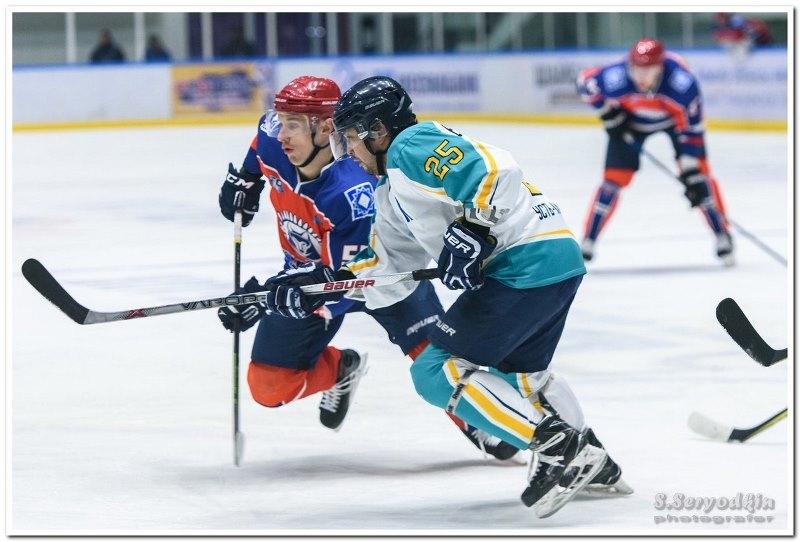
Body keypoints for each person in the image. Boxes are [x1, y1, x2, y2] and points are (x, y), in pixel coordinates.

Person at [261, 75, 631, 517]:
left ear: (379, 130)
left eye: (353, 138)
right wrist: (320, 285)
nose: (350, 151)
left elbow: (495, 169)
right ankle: (597, 465)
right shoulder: (389, 192)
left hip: (522, 263)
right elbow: (385, 267)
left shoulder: (409, 146)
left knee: (435, 371)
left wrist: (475, 228)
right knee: (524, 377)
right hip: (554, 258)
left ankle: (560, 449)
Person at [215, 75, 518, 460]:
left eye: (292, 125)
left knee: (437, 366)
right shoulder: (275, 140)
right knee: (269, 386)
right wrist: (245, 180)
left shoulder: (353, 192)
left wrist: (265, 299)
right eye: (280, 121)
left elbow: (348, 279)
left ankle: (483, 417)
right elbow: (261, 143)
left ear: (325, 129)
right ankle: (341, 368)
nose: (281, 134)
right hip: (306, 277)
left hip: (377, 275)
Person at [576, 38, 734, 265]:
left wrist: (690, 170)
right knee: (612, 181)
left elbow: (692, 128)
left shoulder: (682, 84)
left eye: (647, 71)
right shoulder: (616, 77)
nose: (640, 76)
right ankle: (588, 239)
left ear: (660, 68)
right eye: (636, 69)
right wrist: (608, 114)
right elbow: (584, 82)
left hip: (675, 123)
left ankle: (722, 234)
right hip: (631, 123)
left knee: (700, 178)